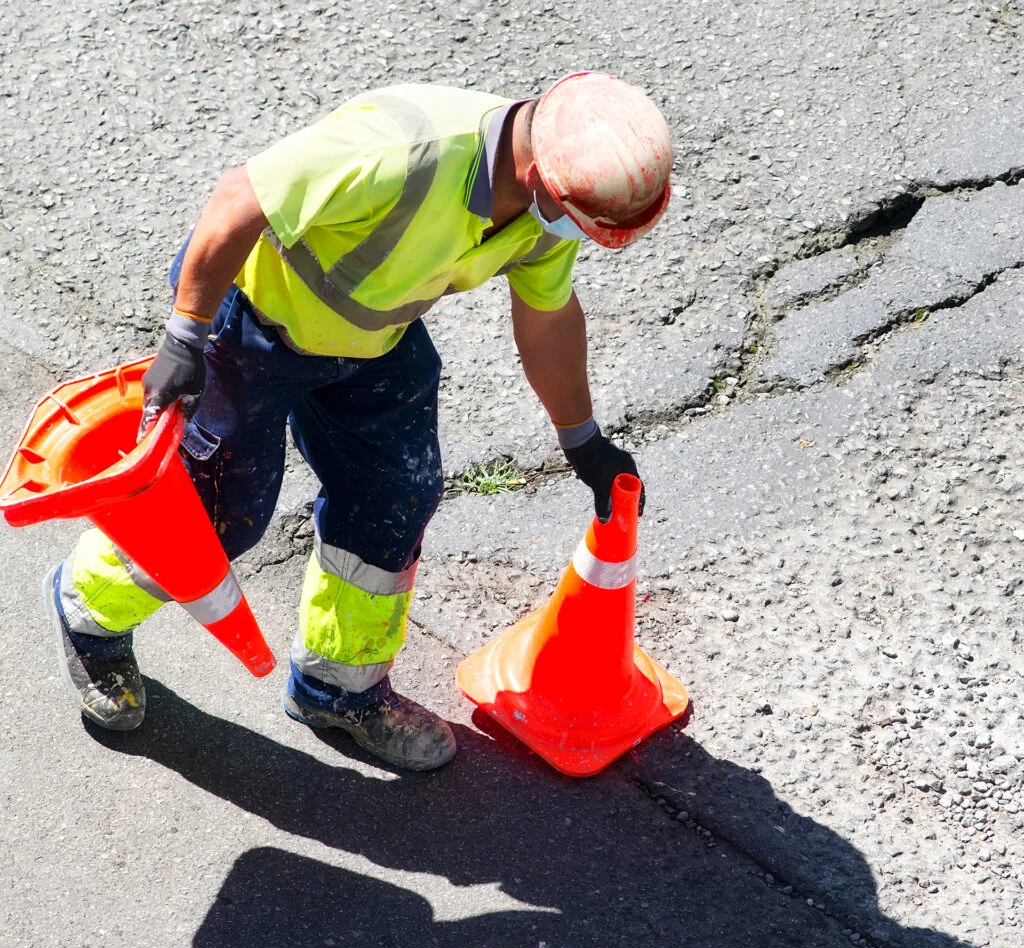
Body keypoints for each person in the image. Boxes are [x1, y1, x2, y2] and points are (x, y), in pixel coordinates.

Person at [43, 71, 674, 771]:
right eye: (580, 222)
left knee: (393, 500)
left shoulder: (543, 201)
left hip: (375, 337)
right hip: (251, 323)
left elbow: (548, 317)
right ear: (544, 181)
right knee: (216, 514)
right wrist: (185, 338)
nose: (573, 236)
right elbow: (237, 198)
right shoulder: (401, 149)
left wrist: (583, 441)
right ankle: (87, 613)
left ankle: (337, 689)